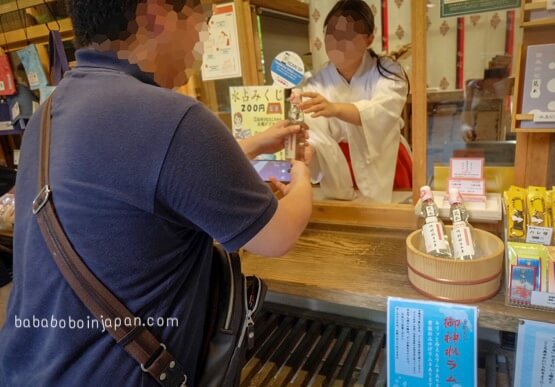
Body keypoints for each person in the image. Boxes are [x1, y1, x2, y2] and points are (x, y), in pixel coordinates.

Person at [0, 1, 312, 385]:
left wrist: (252, 145)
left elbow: (148, 175)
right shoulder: (174, 116)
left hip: (26, 369)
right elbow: (278, 235)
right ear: (156, 16)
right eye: (203, 21)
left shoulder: (48, 114)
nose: (203, 40)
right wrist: (302, 173)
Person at [300, 0, 411, 203]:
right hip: (337, 168)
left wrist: (335, 109)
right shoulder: (317, 81)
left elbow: (382, 110)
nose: (336, 42)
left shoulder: (388, 71)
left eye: (348, 35)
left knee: (390, 226)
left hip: (385, 163)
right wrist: (309, 147)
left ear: (369, 39)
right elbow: (313, 128)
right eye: (331, 33)